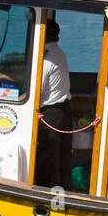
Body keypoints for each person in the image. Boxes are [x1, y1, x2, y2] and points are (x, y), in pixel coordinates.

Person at [36, 19, 73, 189]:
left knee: (48, 155)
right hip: (64, 111)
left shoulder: (47, 59)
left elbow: (37, 90)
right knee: (62, 156)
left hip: (51, 113)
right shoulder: (59, 53)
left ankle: (46, 190)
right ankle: (63, 187)